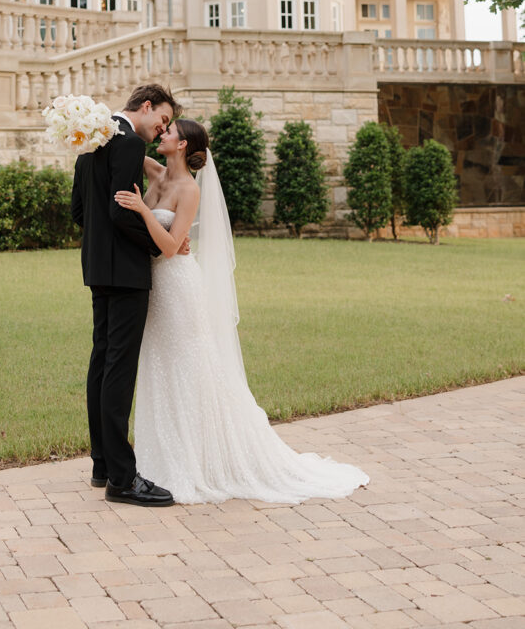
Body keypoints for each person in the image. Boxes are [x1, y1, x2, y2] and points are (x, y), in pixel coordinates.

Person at [114, 118, 370, 505]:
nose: (160, 134)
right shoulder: (157, 172)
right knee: (160, 367)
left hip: (178, 287)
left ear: (182, 145)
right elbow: (126, 149)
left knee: (189, 368)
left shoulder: (188, 190)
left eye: (168, 132)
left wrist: (144, 211)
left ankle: (202, 460)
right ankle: (162, 459)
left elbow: (170, 246)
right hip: (155, 289)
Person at [70, 83, 184, 507]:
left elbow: (79, 212)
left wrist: (104, 241)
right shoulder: (129, 142)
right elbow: (122, 209)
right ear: (147, 106)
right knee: (119, 369)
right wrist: (160, 242)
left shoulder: (92, 137)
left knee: (102, 362)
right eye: (163, 119)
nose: (161, 129)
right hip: (127, 272)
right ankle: (122, 478)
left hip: (98, 267)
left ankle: (102, 464)